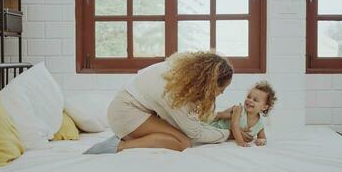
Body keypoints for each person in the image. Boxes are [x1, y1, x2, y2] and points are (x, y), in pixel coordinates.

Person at [84, 51, 252, 154]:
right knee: (182, 143)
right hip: (125, 113)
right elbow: (195, 132)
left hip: (134, 110)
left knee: (180, 136)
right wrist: (229, 134)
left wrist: (219, 115)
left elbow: (189, 118)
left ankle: (130, 137)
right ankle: (118, 145)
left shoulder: (182, 77)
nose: (222, 92)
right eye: (222, 88)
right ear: (210, 83)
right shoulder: (173, 93)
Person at [210, 81, 277, 147]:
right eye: (248, 97)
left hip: (224, 136)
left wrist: (261, 140)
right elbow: (234, 125)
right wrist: (241, 141)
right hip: (216, 128)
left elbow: (262, 137)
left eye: (255, 100)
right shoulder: (239, 109)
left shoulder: (259, 124)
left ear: (264, 107)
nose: (250, 100)